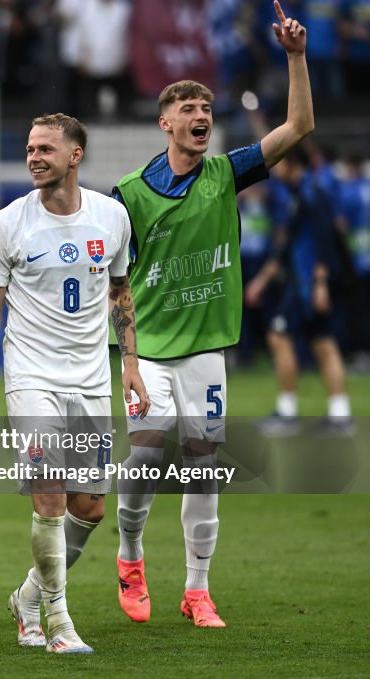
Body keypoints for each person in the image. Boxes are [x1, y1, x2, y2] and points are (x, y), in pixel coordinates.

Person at [111, 0, 313, 628]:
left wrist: (297, 58)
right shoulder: (129, 196)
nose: (201, 117)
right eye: (188, 111)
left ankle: (197, 589)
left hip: (204, 353)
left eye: (206, 109)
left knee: (204, 468)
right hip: (149, 353)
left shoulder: (226, 173)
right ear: (164, 122)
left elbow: (298, 127)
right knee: (145, 455)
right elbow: (119, 289)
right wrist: (129, 363)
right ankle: (131, 555)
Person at [0, 113, 148, 655]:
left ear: (74, 156)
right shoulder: (7, 224)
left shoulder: (111, 218)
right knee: (52, 495)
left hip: (89, 375)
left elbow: (120, 293)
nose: (34, 156)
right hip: (31, 375)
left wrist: (129, 362)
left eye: (45, 149)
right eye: (31, 147)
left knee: (90, 508)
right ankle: (58, 623)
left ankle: (29, 598)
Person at [244, 148, 353, 434]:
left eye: (279, 163)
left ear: (291, 164)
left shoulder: (311, 194)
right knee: (323, 343)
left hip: (307, 285)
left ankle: (288, 412)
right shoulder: (301, 193)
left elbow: (324, 243)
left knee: (279, 336)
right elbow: (286, 245)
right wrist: (263, 281)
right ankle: (340, 415)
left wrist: (319, 285)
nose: (274, 168)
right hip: (303, 284)